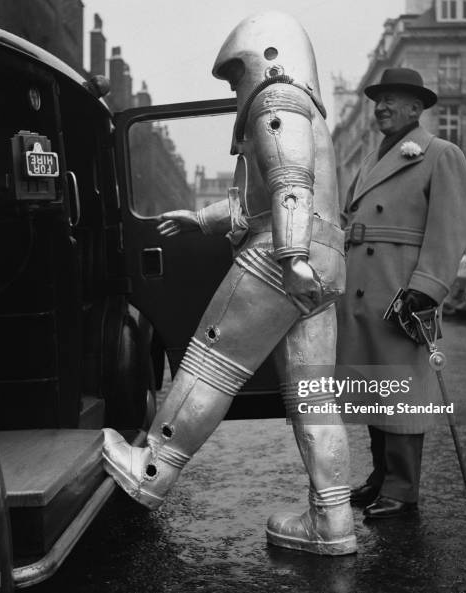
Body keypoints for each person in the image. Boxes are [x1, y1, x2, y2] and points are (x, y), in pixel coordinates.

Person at [102, 12, 356, 555]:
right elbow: (256, 199)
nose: (237, 87)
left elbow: (290, 182)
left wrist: (289, 256)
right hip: (324, 260)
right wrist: (203, 219)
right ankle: (333, 523)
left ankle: (148, 471)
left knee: (209, 364)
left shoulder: (276, 99)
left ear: (266, 55)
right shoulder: (309, 111)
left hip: (281, 255)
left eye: (235, 75)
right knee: (314, 399)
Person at [337, 67, 466, 519]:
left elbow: (449, 229)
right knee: (376, 389)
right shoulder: (370, 160)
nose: (381, 108)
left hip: (402, 294)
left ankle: (402, 489)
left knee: (403, 395)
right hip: (362, 292)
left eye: (391, 100)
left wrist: (426, 288)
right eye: (378, 101)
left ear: (416, 108)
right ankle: (380, 478)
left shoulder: (440, 154)